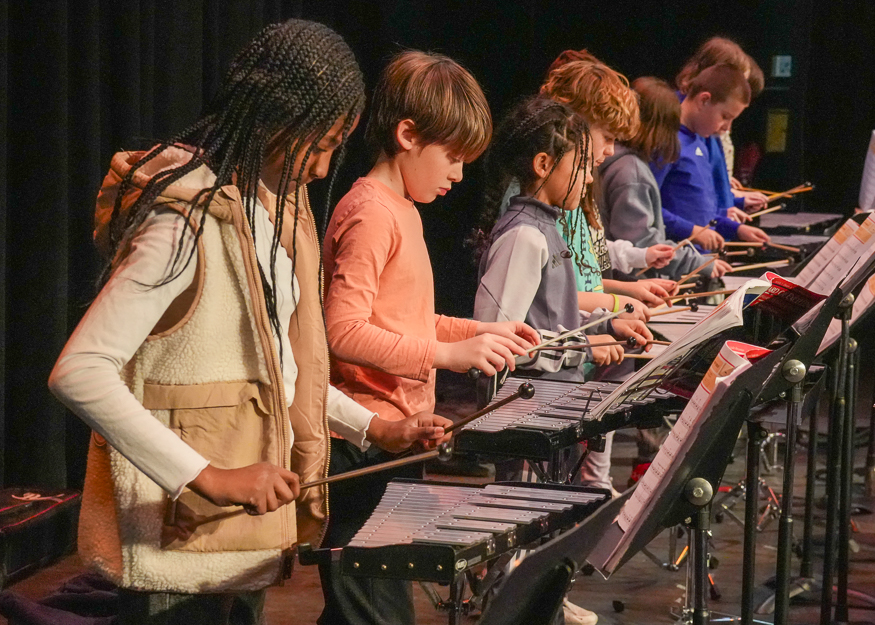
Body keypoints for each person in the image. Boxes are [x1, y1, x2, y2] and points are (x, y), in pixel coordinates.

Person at [48, 20, 449, 625]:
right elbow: (79, 372)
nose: (322, 168)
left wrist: (374, 429)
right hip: (179, 540)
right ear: (279, 119)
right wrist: (209, 476)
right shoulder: (182, 220)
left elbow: (278, 376)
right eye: (321, 144)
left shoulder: (261, 216)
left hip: (238, 535)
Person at [320, 50, 538, 625]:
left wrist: (482, 331)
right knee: (374, 611)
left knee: (365, 611)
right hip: (362, 443)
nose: (459, 175)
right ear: (408, 134)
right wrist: (446, 354)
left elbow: (406, 321)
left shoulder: (404, 210)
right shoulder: (369, 213)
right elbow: (340, 332)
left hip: (398, 439)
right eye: (453, 157)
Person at [539, 52, 678, 310]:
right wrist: (617, 304)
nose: (612, 150)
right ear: (573, 126)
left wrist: (630, 288)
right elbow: (547, 297)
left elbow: (588, 273)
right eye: (607, 136)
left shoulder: (579, 189)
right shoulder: (544, 197)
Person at [600, 77, 732, 281]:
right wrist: (696, 263)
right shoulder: (631, 172)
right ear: (659, 128)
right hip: (629, 288)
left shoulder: (617, 162)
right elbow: (641, 243)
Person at [653, 64, 771, 251]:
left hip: (702, 262)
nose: (727, 128)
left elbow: (702, 211)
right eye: (725, 116)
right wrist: (693, 231)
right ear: (704, 100)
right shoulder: (666, 142)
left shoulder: (700, 142)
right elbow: (648, 210)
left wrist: (736, 229)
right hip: (672, 263)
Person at [676, 37, 769, 222]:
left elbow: (704, 189)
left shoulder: (704, 130)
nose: (726, 127)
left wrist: (730, 204)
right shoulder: (680, 129)